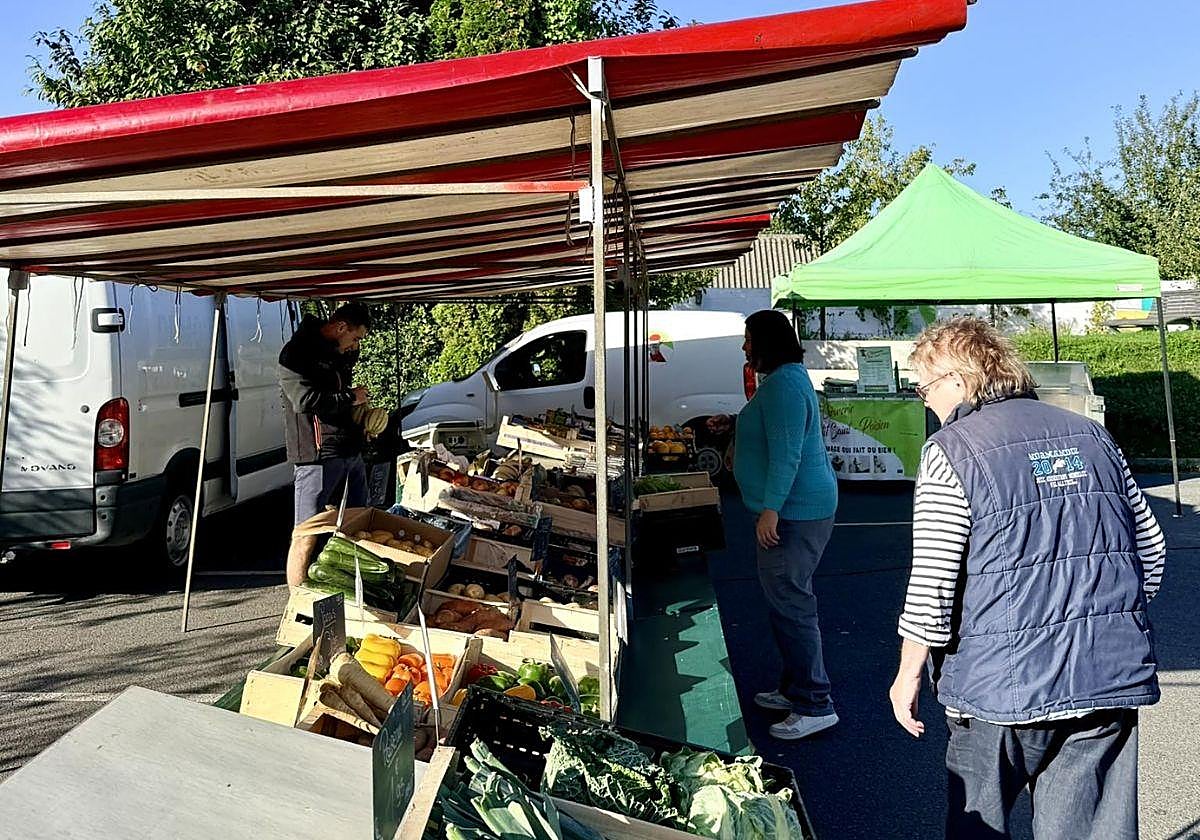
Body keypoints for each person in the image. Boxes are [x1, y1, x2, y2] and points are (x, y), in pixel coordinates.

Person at [888, 316, 1166, 840]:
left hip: (1000, 686)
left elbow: (932, 582)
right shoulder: (1093, 436)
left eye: (924, 388)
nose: (925, 401)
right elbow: (1149, 551)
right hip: (1105, 676)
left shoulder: (951, 449)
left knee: (980, 826)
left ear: (957, 380)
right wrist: (1106, 620)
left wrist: (908, 675)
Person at [708, 309, 839, 740]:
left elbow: (787, 455)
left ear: (766, 342)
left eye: (749, 339)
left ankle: (816, 703)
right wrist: (735, 425)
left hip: (794, 514)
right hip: (797, 509)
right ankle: (795, 688)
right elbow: (778, 432)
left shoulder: (783, 385)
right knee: (788, 603)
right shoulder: (786, 379)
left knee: (793, 606)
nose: (744, 347)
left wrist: (771, 510)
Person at [279, 303, 372, 586]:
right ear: (341, 327)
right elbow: (304, 401)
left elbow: (339, 391)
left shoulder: (337, 351)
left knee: (357, 526)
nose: (355, 347)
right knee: (306, 534)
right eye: (355, 338)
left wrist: (363, 421)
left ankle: (347, 593)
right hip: (317, 455)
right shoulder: (297, 353)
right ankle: (297, 599)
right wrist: (351, 398)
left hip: (349, 450)